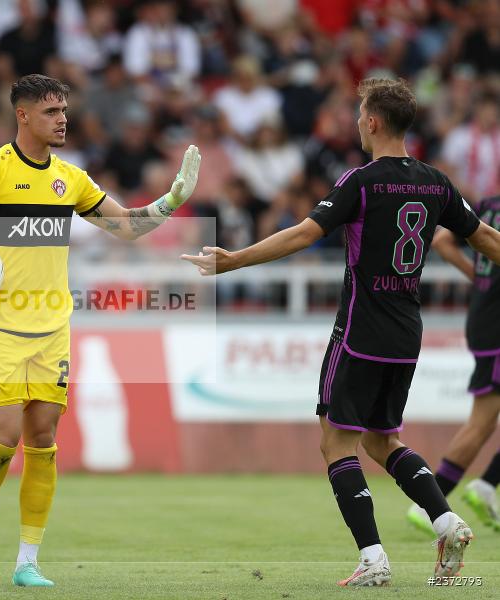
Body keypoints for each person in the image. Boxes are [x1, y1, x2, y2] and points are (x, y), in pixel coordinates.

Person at [182, 78, 500, 587]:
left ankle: (373, 558)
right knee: (381, 440)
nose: (356, 121)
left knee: (336, 443)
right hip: (406, 333)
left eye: (359, 113)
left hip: (359, 329)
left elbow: (305, 232)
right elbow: (483, 237)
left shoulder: (363, 181)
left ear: (372, 121)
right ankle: (448, 520)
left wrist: (235, 259)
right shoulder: (435, 182)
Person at [0, 73, 200, 587]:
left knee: (42, 438)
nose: (62, 118)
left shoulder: (72, 179)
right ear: (22, 115)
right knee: (2, 440)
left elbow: (127, 226)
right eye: (50, 111)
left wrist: (170, 202)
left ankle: (28, 560)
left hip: (52, 329)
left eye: (64, 109)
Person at [404, 201, 500, 533]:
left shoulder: (488, 205)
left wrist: (480, 279)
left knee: (484, 422)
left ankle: (484, 485)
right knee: (481, 422)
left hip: (483, 318)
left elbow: (443, 241)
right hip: (497, 326)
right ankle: (431, 503)